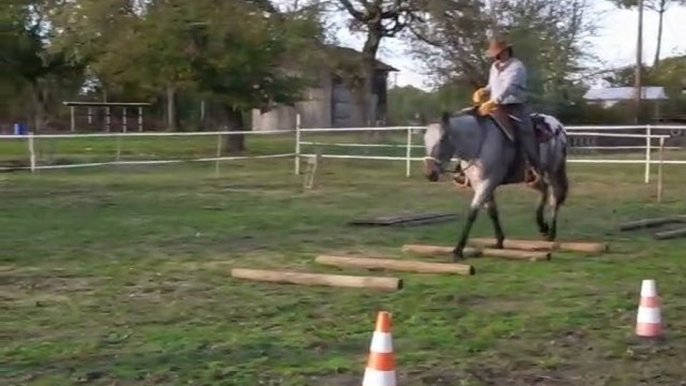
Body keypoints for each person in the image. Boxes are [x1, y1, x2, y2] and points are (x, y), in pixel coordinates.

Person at [473, 39, 542, 182]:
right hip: (495, 106)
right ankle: (469, 167)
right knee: (475, 126)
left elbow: (509, 88)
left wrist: (493, 101)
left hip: (514, 106)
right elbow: (493, 85)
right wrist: (484, 90)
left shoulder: (517, 67)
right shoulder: (495, 66)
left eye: (497, 53)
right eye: (494, 54)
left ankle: (534, 168)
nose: (495, 56)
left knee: (525, 133)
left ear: (505, 51)